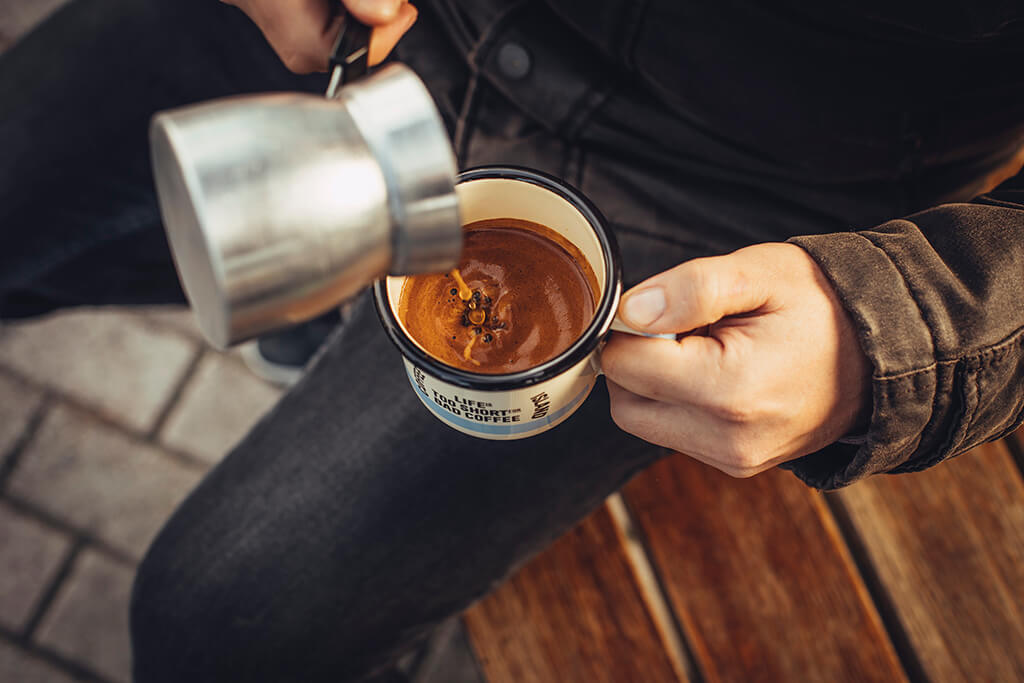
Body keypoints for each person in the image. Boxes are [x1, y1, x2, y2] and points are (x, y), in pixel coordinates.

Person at [1, 0, 1021, 680]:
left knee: (219, 621)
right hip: (405, 22)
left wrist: (893, 326)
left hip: (752, 192)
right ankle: (322, 329)